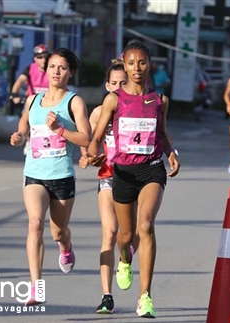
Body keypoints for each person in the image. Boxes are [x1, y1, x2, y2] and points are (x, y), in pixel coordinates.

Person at [84, 40, 180, 318]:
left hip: (151, 169)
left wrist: (171, 152)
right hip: (122, 173)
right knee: (125, 236)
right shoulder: (114, 99)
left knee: (146, 226)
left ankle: (145, 297)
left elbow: (162, 133)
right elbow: (97, 137)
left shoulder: (160, 100)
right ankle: (124, 260)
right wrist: (93, 156)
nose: (137, 68)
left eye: (142, 62)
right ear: (124, 65)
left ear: (149, 64)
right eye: (131, 63)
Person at [9, 48, 91, 306]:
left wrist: (60, 129)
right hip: (34, 173)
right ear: (46, 69)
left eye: (62, 67)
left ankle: (66, 247)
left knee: (58, 232)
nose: (56, 71)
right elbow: (24, 123)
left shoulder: (74, 102)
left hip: (62, 175)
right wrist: (19, 136)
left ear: (70, 72)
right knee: (35, 224)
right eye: (53, 66)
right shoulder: (33, 99)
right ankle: (36, 287)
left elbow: (86, 138)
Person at [78, 58, 137, 314]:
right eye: (113, 83)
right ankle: (106, 295)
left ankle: (125, 258)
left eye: (123, 83)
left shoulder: (137, 109)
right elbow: (90, 142)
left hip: (134, 177)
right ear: (106, 85)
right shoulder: (98, 112)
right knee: (109, 233)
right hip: (108, 176)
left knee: (130, 235)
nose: (117, 87)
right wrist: (89, 158)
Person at [11, 44, 50, 155]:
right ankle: (28, 140)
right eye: (40, 57)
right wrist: (14, 94)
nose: (43, 60)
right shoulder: (30, 68)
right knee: (26, 118)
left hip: (49, 102)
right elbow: (19, 81)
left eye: (45, 57)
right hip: (32, 102)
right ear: (35, 59)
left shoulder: (52, 69)